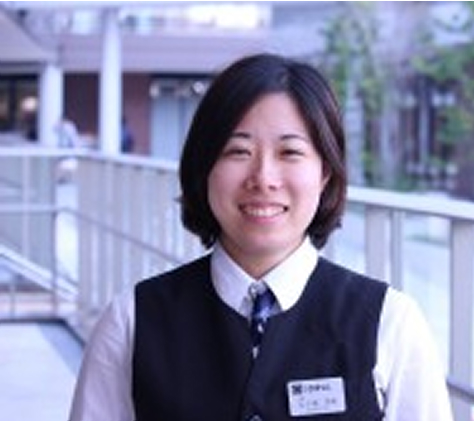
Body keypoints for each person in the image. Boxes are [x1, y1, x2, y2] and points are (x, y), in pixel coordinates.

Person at [69, 53, 453, 420]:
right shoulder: (131, 322)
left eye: (290, 152)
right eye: (238, 151)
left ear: (325, 172)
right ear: (204, 168)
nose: (264, 178)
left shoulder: (390, 322)